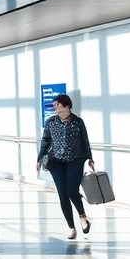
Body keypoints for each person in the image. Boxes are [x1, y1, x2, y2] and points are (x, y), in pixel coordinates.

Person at [36, 94, 95, 240]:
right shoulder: (51, 122)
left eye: (57, 104)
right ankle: (71, 228)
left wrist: (90, 157)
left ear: (66, 106)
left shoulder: (78, 122)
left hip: (75, 159)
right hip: (56, 161)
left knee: (72, 191)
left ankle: (83, 217)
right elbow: (46, 140)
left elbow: (85, 140)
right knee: (62, 193)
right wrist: (39, 158)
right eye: (54, 105)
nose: (54, 107)